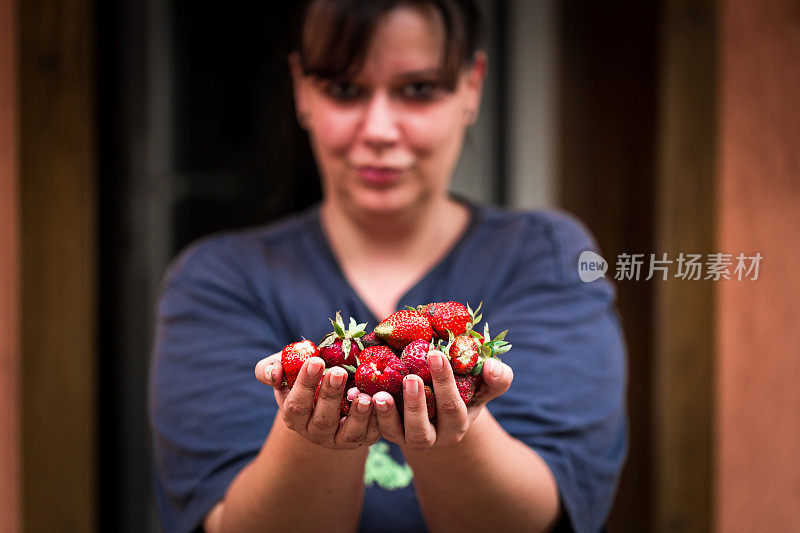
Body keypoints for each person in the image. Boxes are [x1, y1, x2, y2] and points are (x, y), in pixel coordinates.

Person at [148, 1, 628, 532]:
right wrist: (311, 436)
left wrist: (456, 428)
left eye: (418, 89)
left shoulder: (548, 256)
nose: (379, 129)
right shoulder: (219, 279)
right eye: (345, 90)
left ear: (472, 86)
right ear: (301, 89)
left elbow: (538, 517)